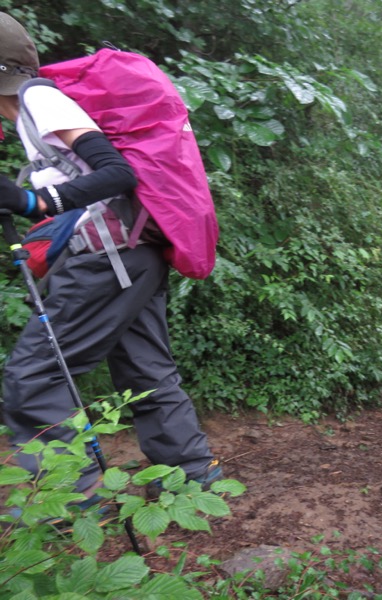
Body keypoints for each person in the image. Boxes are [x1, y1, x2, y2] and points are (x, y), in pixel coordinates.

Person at [0, 12, 220, 510]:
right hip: (132, 254)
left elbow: (116, 173)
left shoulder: (39, 100)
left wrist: (35, 204)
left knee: (34, 376)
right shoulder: (30, 111)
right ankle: (189, 476)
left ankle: (68, 499)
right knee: (146, 370)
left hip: (108, 259)